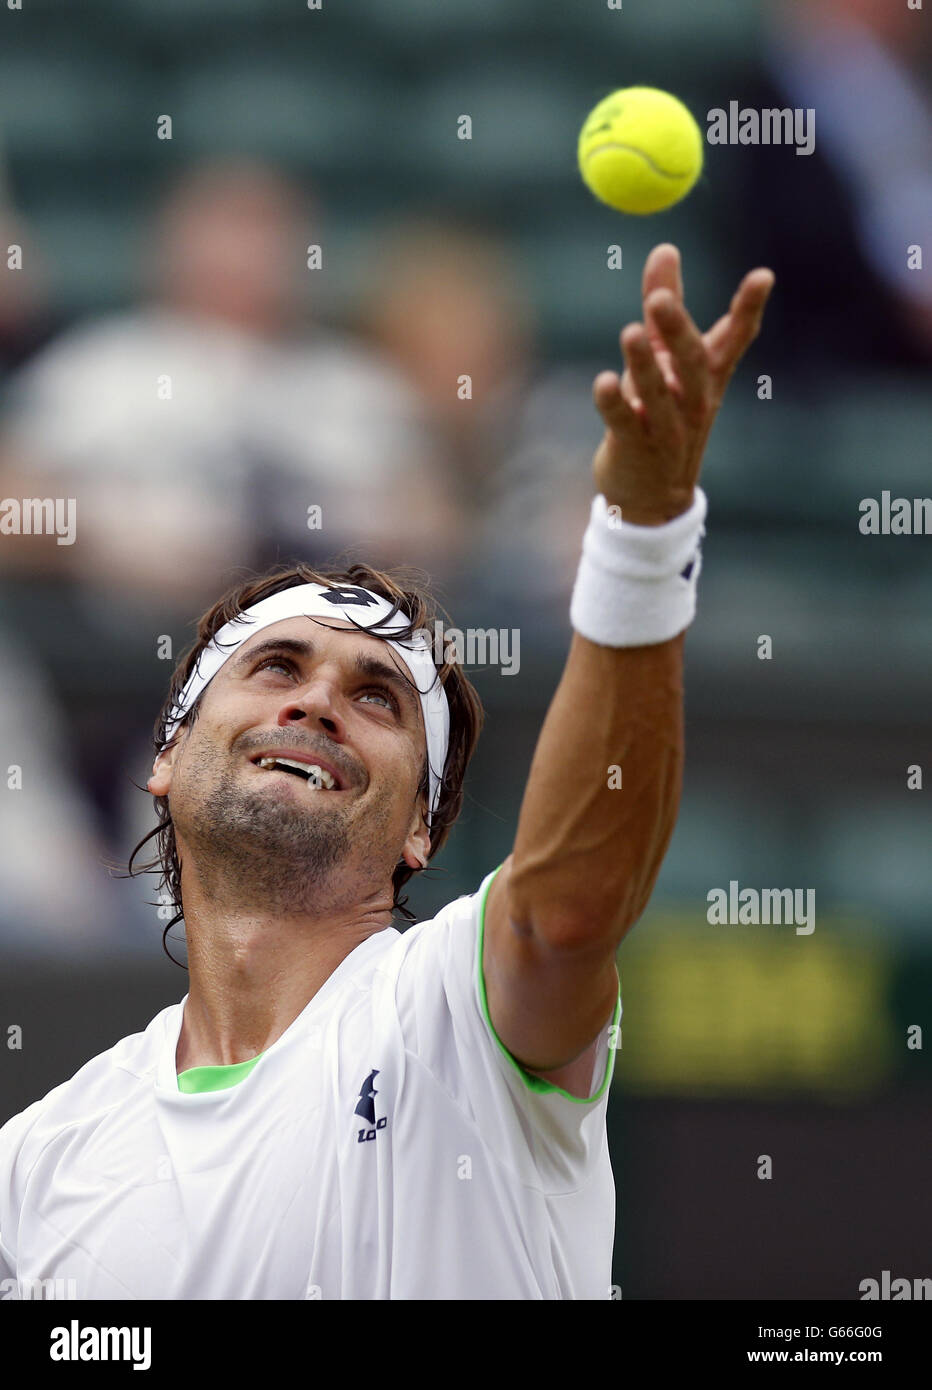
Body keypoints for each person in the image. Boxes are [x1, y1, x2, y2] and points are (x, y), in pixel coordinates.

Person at [0, 244, 774, 1300]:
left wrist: (642, 537)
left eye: (376, 698)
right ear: (165, 758)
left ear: (420, 831)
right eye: (274, 666)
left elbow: (567, 910)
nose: (315, 699)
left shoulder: (451, 1006)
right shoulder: (40, 1159)